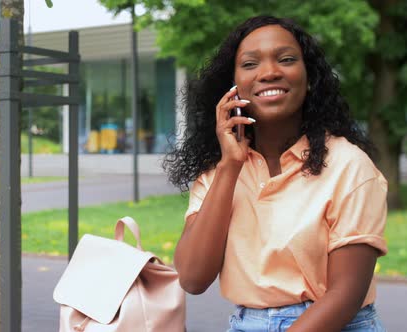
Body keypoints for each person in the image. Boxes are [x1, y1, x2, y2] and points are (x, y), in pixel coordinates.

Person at [163, 15, 388, 331]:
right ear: (233, 85)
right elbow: (193, 277)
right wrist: (230, 167)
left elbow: (345, 295)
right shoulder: (219, 171)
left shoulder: (350, 165)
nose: (269, 73)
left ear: (309, 77)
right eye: (250, 64)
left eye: (286, 59)